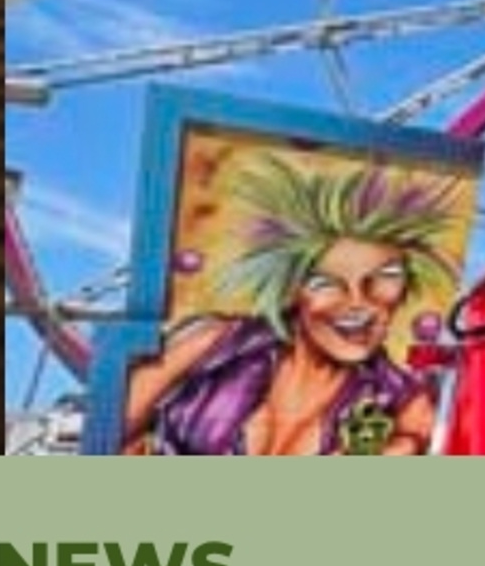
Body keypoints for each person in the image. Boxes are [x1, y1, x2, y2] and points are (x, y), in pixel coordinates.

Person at [121, 156, 463, 456]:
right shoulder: (217, 343)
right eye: (326, 283)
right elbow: (111, 427)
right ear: (291, 291)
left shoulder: (401, 398)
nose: (360, 304)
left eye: (385, 279)